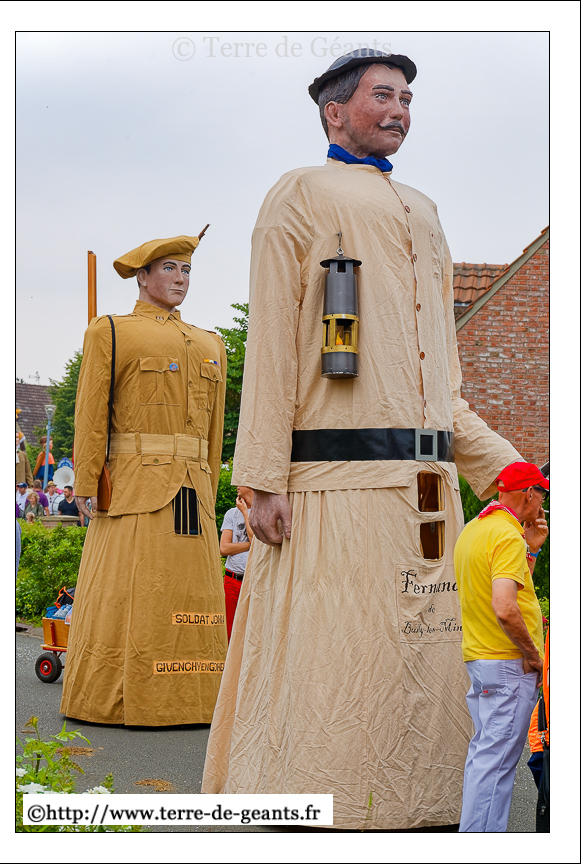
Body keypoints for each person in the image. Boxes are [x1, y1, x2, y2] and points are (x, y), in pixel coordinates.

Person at [202, 49, 525, 830]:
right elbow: (271, 342)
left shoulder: (423, 208)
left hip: (427, 492)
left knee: (425, 653)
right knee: (339, 660)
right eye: (383, 95)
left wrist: (508, 470)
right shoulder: (298, 194)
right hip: (334, 489)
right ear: (333, 110)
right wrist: (261, 478)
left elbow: (444, 378)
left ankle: (430, 807)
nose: (399, 110)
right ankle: (323, 806)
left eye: (407, 98)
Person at [60, 232, 227, 726]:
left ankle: (197, 699)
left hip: (193, 489)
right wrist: (86, 481)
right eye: (169, 268)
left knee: (192, 593)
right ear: (142, 275)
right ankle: (118, 700)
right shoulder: (111, 332)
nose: (180, 278)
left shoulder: (211, 343)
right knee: (133, 590)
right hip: (135, 487)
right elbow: (91, 412)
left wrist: (210, 488)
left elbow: (214, 431)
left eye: (187, 270)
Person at [453, 462, 548, 832]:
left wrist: (532, 551)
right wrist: (534, 657)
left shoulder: (476, 528)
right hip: (508, 664)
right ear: (528, 493)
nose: (542, 503)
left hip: (482, 659)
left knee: (485, 757)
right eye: (542, 494)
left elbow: (507, 590)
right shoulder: (507, 535)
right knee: (496, 765)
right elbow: (505, 607)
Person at [219, 486, 254, 641]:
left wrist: (245, 513)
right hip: (232, 580)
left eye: (241, 481)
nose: (236, 485)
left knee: (252, 628)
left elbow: (256, 540)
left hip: (253, 581)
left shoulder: (262, 512)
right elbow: (224, 548)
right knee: (230, 629)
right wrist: (251, 545)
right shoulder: (231, 514)